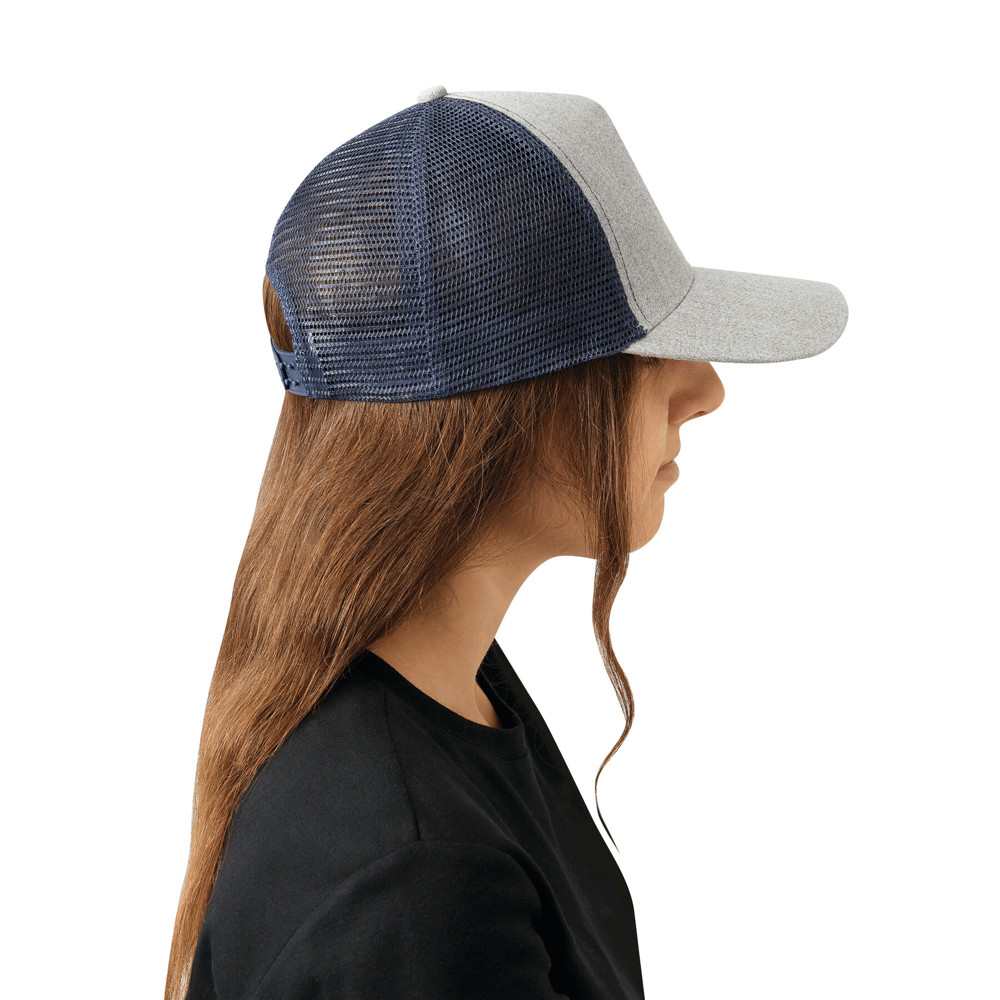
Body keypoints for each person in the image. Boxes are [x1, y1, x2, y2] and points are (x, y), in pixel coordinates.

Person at [164, 86, 848, 1000]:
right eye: (643, 352)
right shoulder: (416, 880)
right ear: (502, 406)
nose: (705, 391)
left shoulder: (453, 694)